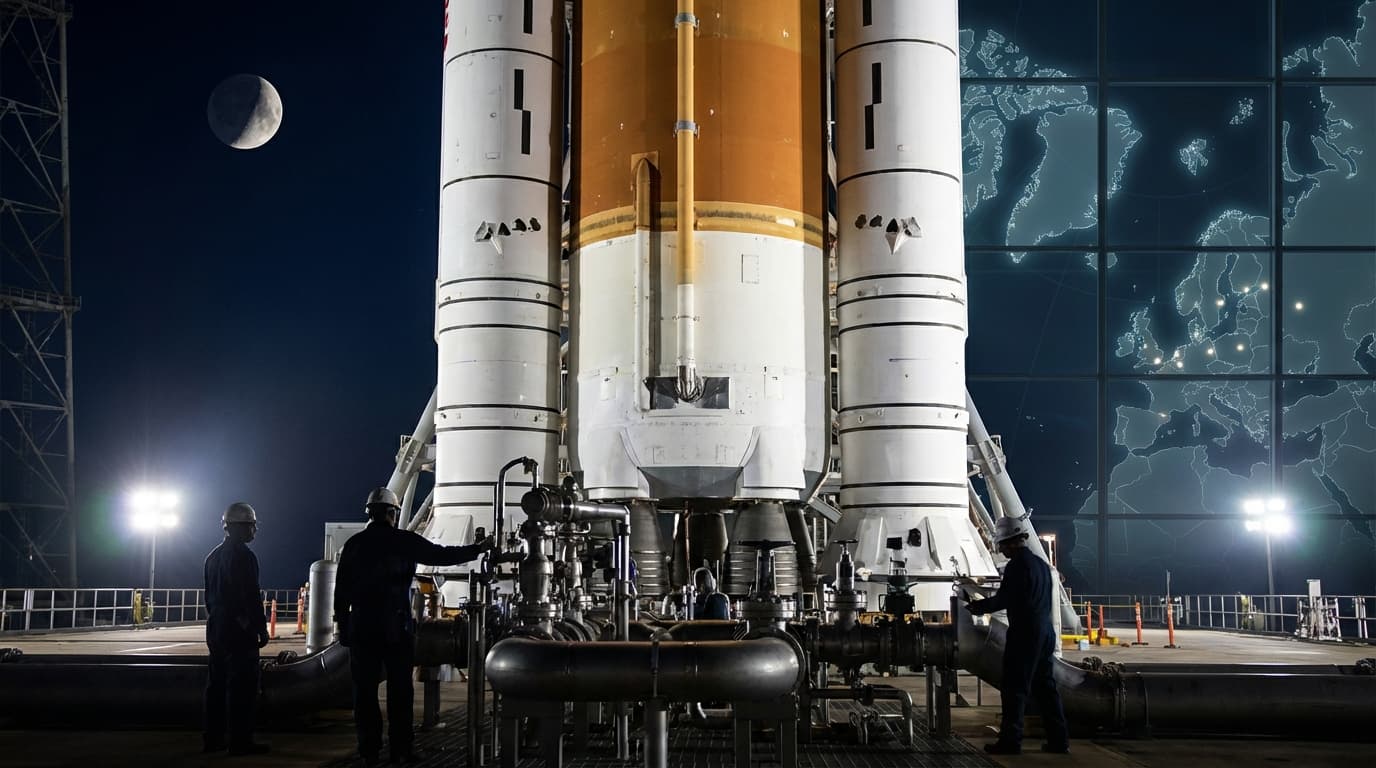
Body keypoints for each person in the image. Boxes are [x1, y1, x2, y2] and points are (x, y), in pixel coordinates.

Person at [334, 487, 494, 766]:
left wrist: (344, 625)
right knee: (400, 692)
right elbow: (440, 556)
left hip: (362, 627)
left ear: (369, 512)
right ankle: (400, 750)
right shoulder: (403, 540)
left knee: (365, 693)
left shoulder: (354, 544)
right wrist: (478, 549)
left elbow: (341, 591)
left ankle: (369, 750)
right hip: (396, 627)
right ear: (392, 512)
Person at [965, 516, 1070, 756]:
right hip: (1045, 633)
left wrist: (976, 607)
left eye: (1001, 544)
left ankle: (1010, 742)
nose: (1000, 549)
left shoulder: (1017, 567)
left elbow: (1005, 599)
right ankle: (1059, 740)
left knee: (1015, 688)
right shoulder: (1042, 566)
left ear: (1011, 542)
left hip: (1025, 634)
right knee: (1046, 688)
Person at [203, 501, 271, 756]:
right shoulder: (244, 556)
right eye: (252, 526)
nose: (254, 531)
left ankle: (212, 739)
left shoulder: (212, 556)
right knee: (242, 687)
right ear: (242, 528)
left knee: (216, 685)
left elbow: (210, 596)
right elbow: (250, 597)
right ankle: (240, 741)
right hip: (239, 631)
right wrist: (259, 629)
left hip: (217, 628)